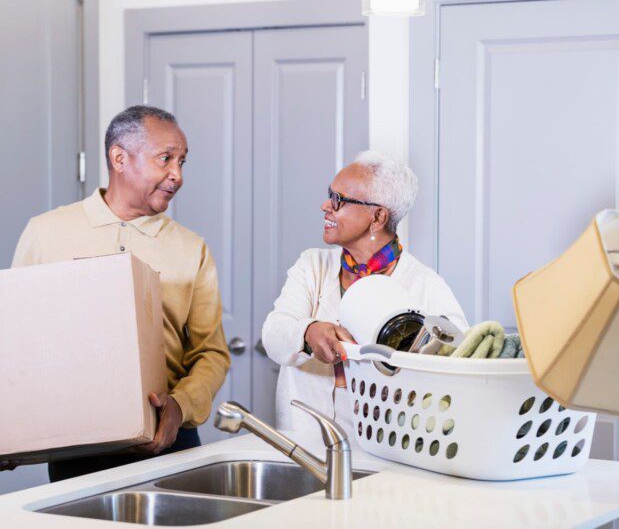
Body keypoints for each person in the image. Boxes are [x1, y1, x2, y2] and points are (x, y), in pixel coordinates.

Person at [0, 106, 230, 481]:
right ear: (119, 158)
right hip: (77, 446)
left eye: (182, 162)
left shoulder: (191, 248)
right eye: (166, 159)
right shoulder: (45, 233)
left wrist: (180, 406)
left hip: (169, 439)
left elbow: (211, 353)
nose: (178, 175)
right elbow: (14, 342)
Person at [262, 151, 468, 436]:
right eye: (329, 195)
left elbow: (459, 367)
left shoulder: (425, 286)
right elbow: (273, 334)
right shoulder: (312, 266)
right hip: (303, 445)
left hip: (381, 452)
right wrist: (308, 332)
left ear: (378, 216)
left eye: (339, 200)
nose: (325, 206)